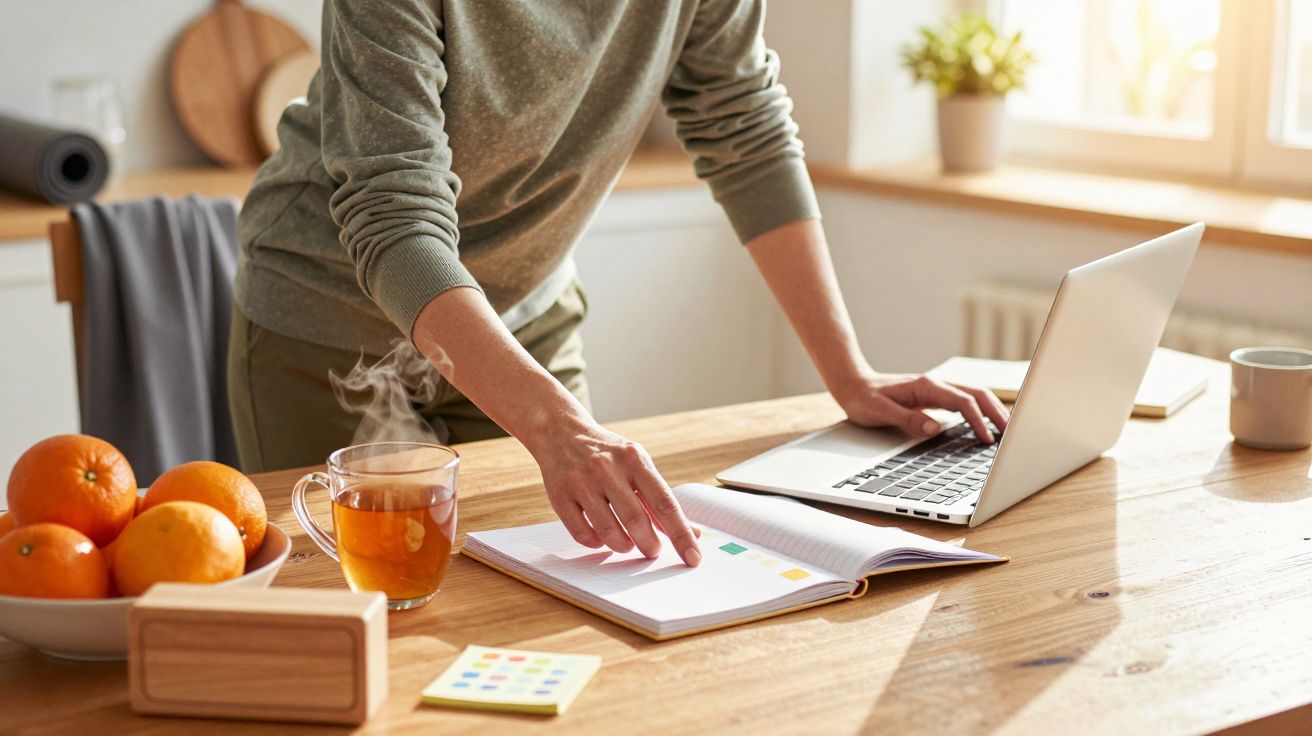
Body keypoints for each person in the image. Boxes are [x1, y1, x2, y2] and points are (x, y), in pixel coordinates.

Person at [228, 0, 1009, 569]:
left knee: (561, 585)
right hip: (326, 316)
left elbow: (745, 125)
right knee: (354, 609)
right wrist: (559, 428)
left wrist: (850, 373)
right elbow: (392, 213)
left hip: (527, 315)